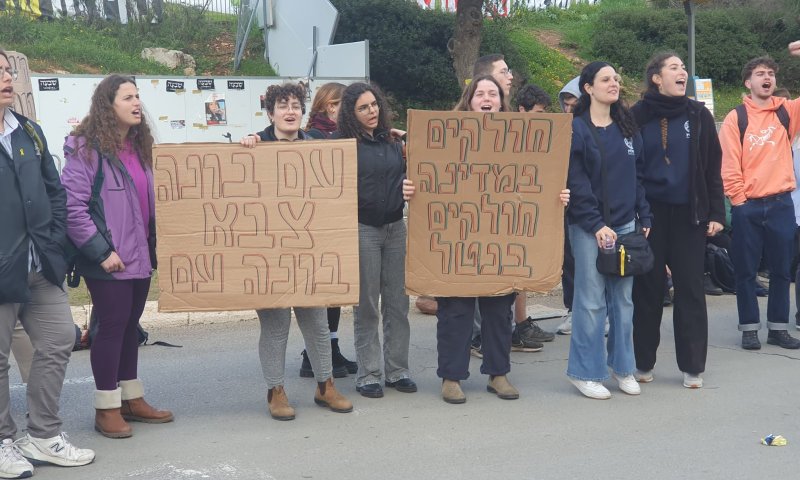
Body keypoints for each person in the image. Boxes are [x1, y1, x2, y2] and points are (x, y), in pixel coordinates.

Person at [406, 75, 570, 404]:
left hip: (500, 240)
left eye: (492, 93)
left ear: (501, 102)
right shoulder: (450, 136)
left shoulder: (519, 139)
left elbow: (537, 177)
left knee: (499, 312)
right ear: (469, 100)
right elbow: (428, 174)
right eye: (479, 93)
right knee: (455, 313)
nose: (486, 98)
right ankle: (451, 377)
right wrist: (410, 189)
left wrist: (557, 195)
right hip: (458, 241)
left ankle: (499, 374)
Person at [0, 47, 95, 477]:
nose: (6, 78)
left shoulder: (29, 131)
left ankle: (41, 434)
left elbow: (55, 192)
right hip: (2, 270)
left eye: (6, 71)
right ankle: (3, 441)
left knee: (59, 340)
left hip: (41, 266)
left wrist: (54, 241)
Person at [62, 74, 173, 438]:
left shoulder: (141, 150)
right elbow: (72, 208)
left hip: (139, 257)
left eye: (138, 96)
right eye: (127, 97)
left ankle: (131, 398)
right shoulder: (85, 150)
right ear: (108, 106)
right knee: (109, 329)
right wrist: (102, 252)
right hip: (109, 259)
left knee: (130, 327)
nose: (137, 103)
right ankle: (106, 408)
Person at [239, 82, 353, 419]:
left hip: (309, 252)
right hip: (270, 254)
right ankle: (275, 391)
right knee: (275, 327)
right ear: (270, 112)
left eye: (296, 105)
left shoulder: (319, 144)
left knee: (317, 324)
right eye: (283, 105)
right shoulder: (256, 144)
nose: (290, 111)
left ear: (303, 112)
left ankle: (325, 386)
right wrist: (246, 147)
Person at [631, 52, 725, 389]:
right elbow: (630, 166)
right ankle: (642, 363)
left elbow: (712, 166)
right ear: (656, 77)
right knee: (648, 290)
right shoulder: (637, 114)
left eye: (683, 68)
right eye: (674, 67)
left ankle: (692, 366)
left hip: (690, 215)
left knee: (690, 289)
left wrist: (716, 212)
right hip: (650, 215)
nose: (682, 71)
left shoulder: (698, 114)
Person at [566, 61, 652, 400]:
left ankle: (623, 367)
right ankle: (585, 372)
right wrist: (596, 224)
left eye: (616, 78)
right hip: (591, 228)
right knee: (590, 303)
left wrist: (643, 216)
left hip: (627, 225)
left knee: (623, 301)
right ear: (588, 88)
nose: (613, 83)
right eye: (605, 79)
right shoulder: (577, 128)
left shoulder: (626, 126)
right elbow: (576, 181)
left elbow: (638, 176)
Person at [334, 82, 416, 398]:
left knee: (397, 301)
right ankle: (369, 373)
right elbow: (304, 146)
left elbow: (429, 158)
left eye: (374, 105)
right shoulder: (342, 145)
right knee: (367, 304)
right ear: (351, 115)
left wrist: (405, 138)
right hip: (363, 228)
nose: (372, 111)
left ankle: (397, 370)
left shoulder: (393, 142)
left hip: (396, 227)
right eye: (364, 108)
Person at [471, 56, 555, 358]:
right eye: (503, 71)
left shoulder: (514, 130)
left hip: (505, 222)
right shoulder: (461, 126)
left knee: (503, 285)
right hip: (473, 222)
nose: (510, 76)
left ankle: (501, 342)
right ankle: (478, 337)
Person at [719, 45, 800, 350]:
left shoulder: (786, 111)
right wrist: (739, 201)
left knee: (781, 270)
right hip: (748, 206)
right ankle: (749, 328)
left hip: (780, 203)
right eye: (760, 74)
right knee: (746, 271)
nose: (767, 77)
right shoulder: (735, 118)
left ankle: (778, 329)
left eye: (771, 73)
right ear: (748, 82)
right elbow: (729, 164)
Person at [299, 81, 358, 379]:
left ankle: (331, 349)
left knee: (334, 294)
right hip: (316, 226)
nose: (340, 109)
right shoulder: (311, 136)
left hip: (339, 224)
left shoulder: (347, 135)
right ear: (325, 106)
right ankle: (312, 355)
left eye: (344, 104)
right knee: (320, 295)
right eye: (336, 104)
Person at [555, 75, 581, 336]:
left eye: (574, 104)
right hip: (565, 203)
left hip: (592, 204)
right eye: (566, 104)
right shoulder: (559, 129)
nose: (569, 109)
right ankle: (573, 309)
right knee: (570, 259)